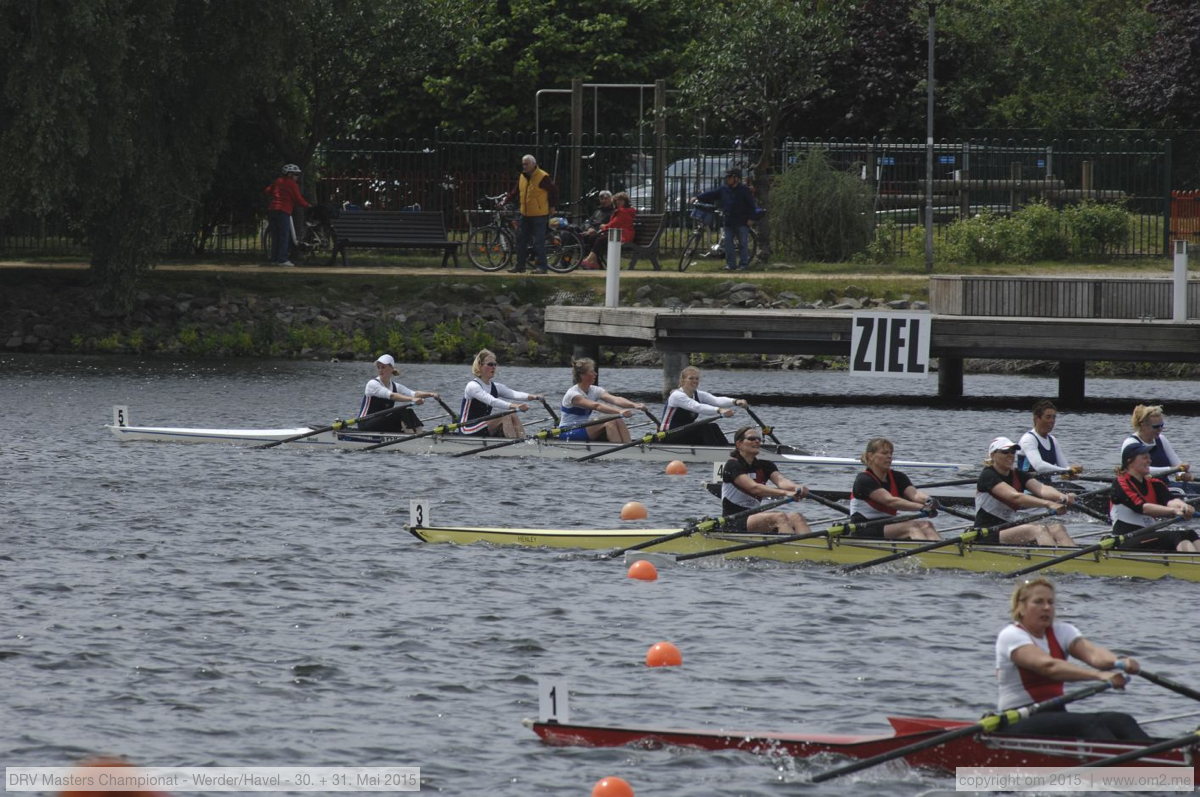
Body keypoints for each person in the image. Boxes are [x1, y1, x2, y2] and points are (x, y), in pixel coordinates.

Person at [993, 577, 1151, 741]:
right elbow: (1049, 667)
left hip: (1055, 714)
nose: (1046, 607)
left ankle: (1156, 761)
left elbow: (1094, 655)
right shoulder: (1011, 635)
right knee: (1090, 725)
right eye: (1038, 602)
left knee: (1122, 721)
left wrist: (1120, 662)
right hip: (1018, 719)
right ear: (1021, 608)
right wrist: (1099, 676)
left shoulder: (1063, 631)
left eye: (1051, 602)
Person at [975, 436, 1078, 546]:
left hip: (1009, 528)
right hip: (986, 533)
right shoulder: (988, 475)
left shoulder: (1018, 474)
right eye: (1005, 452)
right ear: (992, 455)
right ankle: (1055, 559)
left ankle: (1076, 560)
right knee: (1037, 530)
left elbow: (1042, 489)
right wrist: (1048, 504)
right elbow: (1016, 497)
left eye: (1013, 451)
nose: (1010, 455)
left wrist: (1062, 496)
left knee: (1058, 528)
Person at [1110, 441, 1199, 552]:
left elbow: (1170, 500)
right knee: (1177, 536)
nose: (1149, 461)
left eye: (1149, 457)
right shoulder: (1120, 482)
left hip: (1149, 537)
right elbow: (1142, 508)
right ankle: (1193, 566)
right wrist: (1174, 511)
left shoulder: (1155, 483)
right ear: (1129, 461)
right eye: (1144, 458)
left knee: (1190, 533)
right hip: (1125, 540)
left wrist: (1183, 506)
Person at [848, 438, 942, 541]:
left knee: (927, 525)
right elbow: (890, 501)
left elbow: (914, 495)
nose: (889, 456)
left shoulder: (898, 477)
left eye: (890, 453)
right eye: (884, 453)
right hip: (864, 528)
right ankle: (929, 554)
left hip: (888, 524)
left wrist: (928, 500)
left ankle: (944, 553)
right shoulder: (864, 479)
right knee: (911, 527)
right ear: (870, 456)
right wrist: (922, 508)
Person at [720, 426, 810, 534]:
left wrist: (796, 487)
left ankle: (814, 548)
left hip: (754, 517)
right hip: (733, 521)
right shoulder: (732, 465)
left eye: (759, 439)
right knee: (779, 517)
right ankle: (791, 549)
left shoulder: (765, 465)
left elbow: (781, 481)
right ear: (739, 444)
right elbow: (754, 488)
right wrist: (786, 493)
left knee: (797, 517)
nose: (757, 441)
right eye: (752, 439)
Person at [558, 358, 645, 443]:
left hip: (585, 428)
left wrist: (635, 405)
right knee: (610, 420)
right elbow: (596, 406)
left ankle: (628, 445)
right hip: (568, 431)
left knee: (617, 419)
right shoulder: (573, 394)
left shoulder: (595, 390)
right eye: (592, 372)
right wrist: (620, 411)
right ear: (582, 375)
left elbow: (615, 399)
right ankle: (619, 451)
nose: (595, 374)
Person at [460, 349, 542, 438]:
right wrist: (516, 406)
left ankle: (523, 441)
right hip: (468, 427)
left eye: (495, 364)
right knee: (505, 416)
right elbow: (492, 401)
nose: (494, 367)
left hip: (483, 425)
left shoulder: (496, 387)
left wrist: (534, 396)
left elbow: (514, 394)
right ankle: (514, 445)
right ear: (480, 366)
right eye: (490, 364)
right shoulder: (472, 386)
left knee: (512, 414)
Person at [1121, 404, 1199, 495]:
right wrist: (1173, 469)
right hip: (1144, 488)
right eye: (1156, 427)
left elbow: (1177, 468)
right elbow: (1139, 469)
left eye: (1162, 425)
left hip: (1166, 485)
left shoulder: (1161, 439)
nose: (1160, 429)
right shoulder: (1131, 443)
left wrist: (1182, 475)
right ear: (1143, 425)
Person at [660, 366, 746, 447]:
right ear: (683, 380)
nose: (695, 381)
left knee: (713, 426)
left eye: (697, 378)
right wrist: (719, 410)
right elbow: (697, 407)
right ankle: (718, 453)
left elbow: (716, 400)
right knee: (703, 427)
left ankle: (726, 449)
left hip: (684, 433)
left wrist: (735, 401)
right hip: (669, 435)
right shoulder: (677, 396)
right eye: (691, 378)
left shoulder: (698, 394)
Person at [504, 154, 559, 274]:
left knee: (538, 241)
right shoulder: (522, 177)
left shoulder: (543, 176)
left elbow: (553, 191)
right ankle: (520, 266)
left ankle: (542, 267)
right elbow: (516, 191)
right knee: (521, 240)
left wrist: (552, 206)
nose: (524, 166)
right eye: (523, 164)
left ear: (534, 164)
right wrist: (505, 201)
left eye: (526, 164)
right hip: (525, 214)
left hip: (539, 214)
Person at [693, 168, 756, 272]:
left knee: (743, 244)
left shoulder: (744, 190)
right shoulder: (724, 189)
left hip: (742, 221)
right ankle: (731, 265)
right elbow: (712, 194)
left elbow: (751, 205)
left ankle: (743, 265)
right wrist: (698, 197)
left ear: (736, 178)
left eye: (729, 177)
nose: (727, 179)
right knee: (728, 243)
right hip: (729, 221)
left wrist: (751, 218)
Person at [358, 354, 440, 433]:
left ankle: (419, 434)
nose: (380, 370)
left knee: (409, 411)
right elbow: (392, 395)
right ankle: (413, 438)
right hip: (365, 423)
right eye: (378, 367)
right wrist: (412, 399)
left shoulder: (395, 386)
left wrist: (431, 394)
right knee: (401, 412)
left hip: (381, 422)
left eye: (383, 367)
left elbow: (414, 394)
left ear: (391, 368)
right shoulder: (372, 384)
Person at [1017, 399, 1081, 478]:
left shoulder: (1053, 440)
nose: (1052, 421)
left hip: (1046, 487)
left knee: (1079, 489)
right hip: (1027, 487)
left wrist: (1071, 472)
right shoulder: (1028, 439)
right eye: (1048, 417)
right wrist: (1066, 471)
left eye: (1054, 417)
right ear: (1037, 418)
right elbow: (1039, 466)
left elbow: (1064, 467)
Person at [263, 163, 311, 266]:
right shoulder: (292, 184)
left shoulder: (278, 181)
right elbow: (298, 199)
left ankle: (274, 259)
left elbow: (267, 190)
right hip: (283, 210)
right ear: (290, 174)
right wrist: (307, 205)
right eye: (296, 175)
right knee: (284, 235)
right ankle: (282, 259)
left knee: (275, 236)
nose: (297, 177)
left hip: (272, 210)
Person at [579, 192, 635, 269]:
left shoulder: (623, 211)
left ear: (625, 201)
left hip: (623, 235)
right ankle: (594, 262)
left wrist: (603, 226)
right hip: (618, 233)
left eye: (621, 200)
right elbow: (614, 224)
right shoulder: (621, 210)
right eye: (617, 200)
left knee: (601, 239)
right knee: (595, 238)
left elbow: (614, 224)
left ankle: (589, 260)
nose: (618, 202)